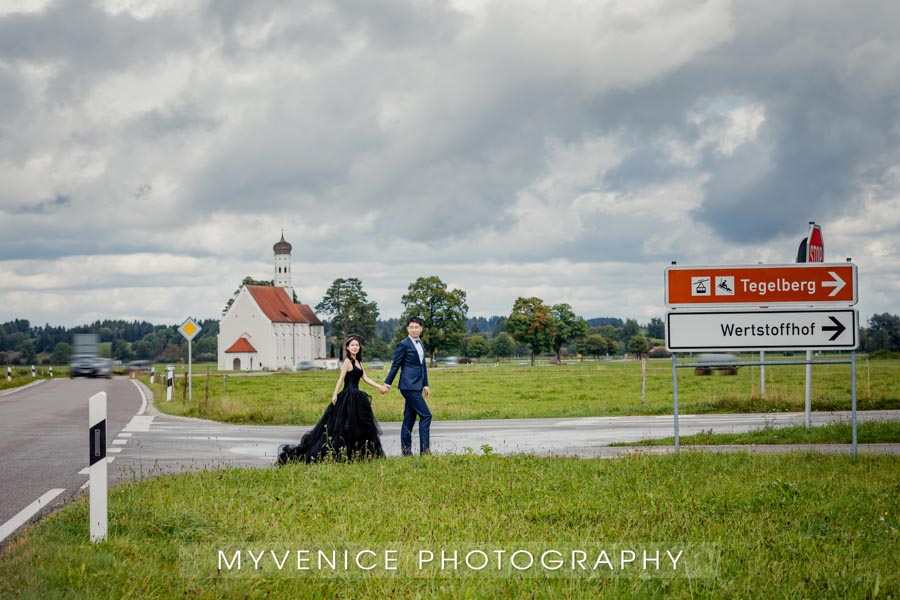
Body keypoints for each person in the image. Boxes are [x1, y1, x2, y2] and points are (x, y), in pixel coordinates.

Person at [276, 337, 385, 464]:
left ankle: (360, 454)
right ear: (348, 348)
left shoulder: (358, 362)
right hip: (347, 397)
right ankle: (343, 454)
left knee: (361, 426)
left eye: (357, 345)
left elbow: (365, 378)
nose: (355, 347)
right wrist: (334, 395)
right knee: (344, 426)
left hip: (358, 397)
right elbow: (341, 379)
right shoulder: (347, 362)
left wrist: (379, 387)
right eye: (352, 345)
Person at [382, 316, 432, 455]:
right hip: (408, 386)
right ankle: (425, 451)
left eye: (416, 327)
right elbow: (395, 365)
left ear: (421, 329)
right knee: (426, 416)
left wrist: (426, 385)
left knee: (409, 419)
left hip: (417, 386)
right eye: (411, 327)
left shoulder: (420, 343)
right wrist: (387, 384)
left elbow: (422, 366)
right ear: (407, 329)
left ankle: (406, 451)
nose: (414, 330)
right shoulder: (403, 344)